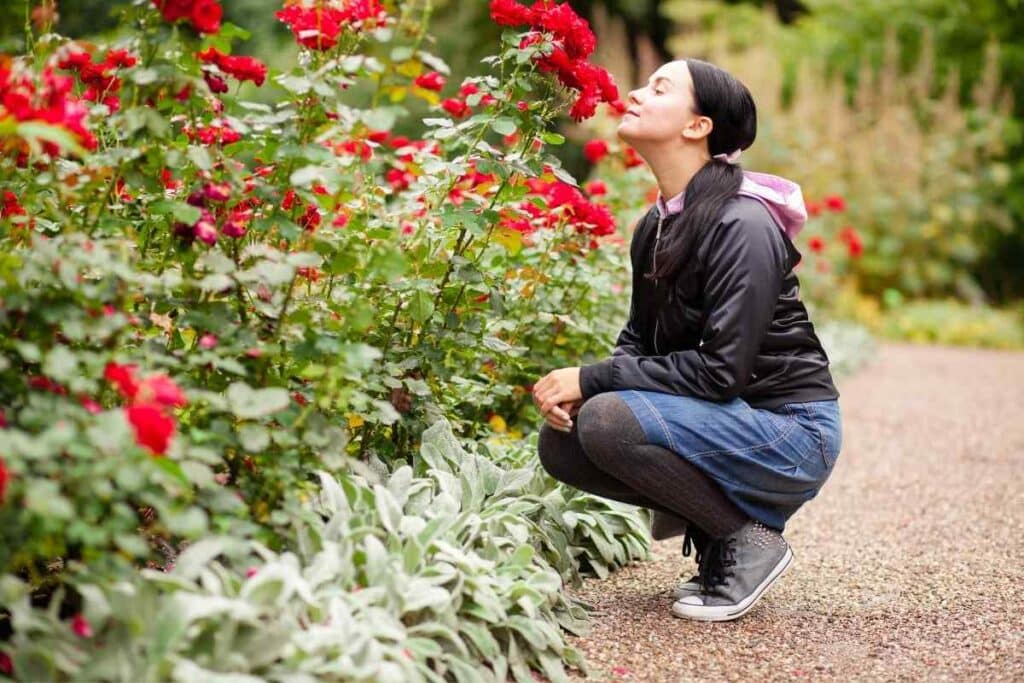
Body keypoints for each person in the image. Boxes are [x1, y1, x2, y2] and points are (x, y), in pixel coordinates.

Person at [532, 58, 842, 622]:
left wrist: (594, 380)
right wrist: (591, 388)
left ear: (698, 126)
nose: (634, 92)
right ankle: (727, 538)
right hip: (730, 418)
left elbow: (722, 373)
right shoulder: (658, 225)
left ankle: (746, 544)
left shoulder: (742, 224)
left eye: (659, 88)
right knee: (567, 440)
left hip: (792, 431)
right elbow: (638, 339)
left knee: (606, 418)